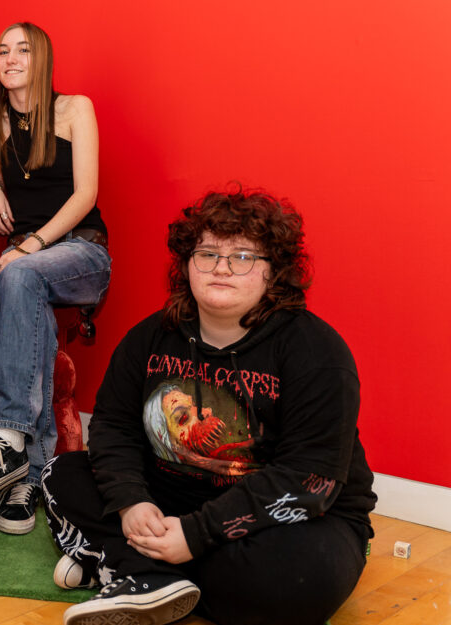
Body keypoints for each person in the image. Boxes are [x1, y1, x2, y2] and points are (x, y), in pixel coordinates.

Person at [42, 187, 376, 625]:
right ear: (186, 265)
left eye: (242, 256)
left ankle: (133, 568)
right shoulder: (150, 337)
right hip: (171, 498)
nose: (221, 268)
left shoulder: (317, 353)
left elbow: (309, 479)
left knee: (301, 577)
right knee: (62, 475)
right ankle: (152, 572)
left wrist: (197, 536)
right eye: (207, 254)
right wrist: (132, 505)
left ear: (273, 273)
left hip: (289, 518)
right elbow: (113, 427)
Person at [0, 22, 111, 535]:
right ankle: (31, 474)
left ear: (43, 61)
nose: (10, 58)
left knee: (17, 273)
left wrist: (32, 245)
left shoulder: (75, 109)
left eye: (23, 50)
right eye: (2, 51)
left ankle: (5, 435)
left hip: (83, 250)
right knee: (20, 283)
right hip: (30, 262)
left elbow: (85, 194)